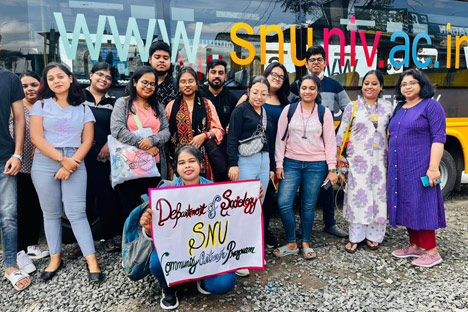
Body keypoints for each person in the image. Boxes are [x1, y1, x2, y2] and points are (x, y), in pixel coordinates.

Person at [30, 62, 103, 282]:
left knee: (76, 213)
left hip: (76, 161)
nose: (56, 81)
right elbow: (37, 138)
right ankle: (55, 258)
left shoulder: (82, 108)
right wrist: (62, 160)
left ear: (70, 78)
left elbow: (88, 140)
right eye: (51, 78)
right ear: (47, 83)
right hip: (46, 161)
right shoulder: (41, 106)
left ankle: (92, 260)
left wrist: (72, 162)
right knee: (50, 214)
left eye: (60, 76)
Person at [139, 145, 237, 310]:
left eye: (192, 161)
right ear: (176, 167)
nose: (187, 166)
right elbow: (153, 233)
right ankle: (169, 287)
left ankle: (201, 277)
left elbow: (230, 221)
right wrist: (148, 228)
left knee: (224, 283)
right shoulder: (165, 191)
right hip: (176, 247)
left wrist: (252, 200)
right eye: (182, 162)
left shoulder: (214, 190)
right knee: (157, 262)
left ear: (201, 164)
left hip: (206, 248)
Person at [273, 74, 337, 260]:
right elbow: (280, 139)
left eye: (312, 88)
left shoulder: (324, 112)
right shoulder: (289, 110)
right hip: (291, 162)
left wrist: (332, 168)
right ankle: (292, 242)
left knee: (308, 205)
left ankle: (306, 242)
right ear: (299, 90)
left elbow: (330, 142)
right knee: (284, 203)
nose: (307, 91)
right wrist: (279, 164)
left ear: (317, 91)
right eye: (304, 88)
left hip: (316, 164)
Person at [388, 69, 446, 268]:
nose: (407, 86)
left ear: (422, 84)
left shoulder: (431, 106)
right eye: (403, 84)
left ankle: (432, 251)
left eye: (412, 82)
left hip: (420, 166)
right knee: (405, 204)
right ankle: (415, 246)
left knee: (422, 205)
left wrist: (433, 168)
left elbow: (439, 138)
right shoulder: (400, 108)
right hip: (399, 168)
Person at [291, 45, 349, 238]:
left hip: (326, 145)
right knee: (302, 187)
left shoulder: (334, 85)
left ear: (325, 62)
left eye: (319, 59)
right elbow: (287, 110)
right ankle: (303, 226)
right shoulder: (298, 85)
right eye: (312, 60)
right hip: (302, 146)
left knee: (327, 185)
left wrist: (338, 134)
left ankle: (330, 223)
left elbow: (349, 111)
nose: (316, 63)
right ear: (306, 63)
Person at [65, 62, 119, 259]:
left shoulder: (113, 102)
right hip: (79, 156)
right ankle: (81, 241)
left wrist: (109, 143)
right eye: (100, 75)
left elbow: (118, 127)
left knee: (106, 197)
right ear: (90, 75)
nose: (103, 79)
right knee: (82, 199)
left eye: (108, 77)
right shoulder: (77, 97)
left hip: (104, 156)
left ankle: (108, 236)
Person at [335, 70, 393, 253]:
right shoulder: (352, 107)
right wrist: (336, 159)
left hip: (380, 162)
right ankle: (355, 237)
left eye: (374, 83)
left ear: (381, 87)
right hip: (357, 162)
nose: (370, 86)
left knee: (378, 197)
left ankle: (374, 236)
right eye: (366, 83)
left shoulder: (388, 108)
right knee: (357, 198)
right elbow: (341, 133)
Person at [236, 62, 290, 248]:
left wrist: (275, 166)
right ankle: (242, 242)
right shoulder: (244, 103)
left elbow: (277, 136)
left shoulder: (281, 104)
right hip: (248, 158)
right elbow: (233, 133)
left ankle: (258, 237)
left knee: (264, 199)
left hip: (268, 158)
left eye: (281, 76)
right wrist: (232, 163)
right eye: (274, 74)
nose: (277, 78)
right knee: (245, 201)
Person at [227, 76, 275, 275]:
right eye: (255, 92)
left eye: (264, 93)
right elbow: (232, 138)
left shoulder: (265, 112)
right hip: (245, 161)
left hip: (263, 162)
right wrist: (233, 163)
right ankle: (238, 256)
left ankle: (250, 250)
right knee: (242, 207)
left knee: (257, 207)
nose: (259, 96)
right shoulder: (240, 111)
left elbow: (269, 140)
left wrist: (271, 165)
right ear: (248, 91)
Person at [110, 65, 170, 220]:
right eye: (145, 82)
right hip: (129, 167)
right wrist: (143, 145)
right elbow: (117, 129)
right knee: (130, 212)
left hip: (154, 167)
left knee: (153, 211)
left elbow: (166, 132)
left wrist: (152, 141)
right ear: (135, 82)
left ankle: (149, 243)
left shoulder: (158, 107)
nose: (148, 87)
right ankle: (131, 244)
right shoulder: (123, 103)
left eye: (152, 84)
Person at [9, 72, 49, 274]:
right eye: (24, 86)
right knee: (21, 209)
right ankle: (19, 252)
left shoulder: (46, 106)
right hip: (21, 166)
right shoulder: (16, 108)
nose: (30, 89)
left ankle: (32, 245)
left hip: (43, 165)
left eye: (34, 84)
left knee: (37, 206)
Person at [0, 33, 29, 291]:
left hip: (4, 157)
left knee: (8, 215)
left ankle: (10, 265)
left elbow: (20, 119)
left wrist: (18, 153)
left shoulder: (10, 79)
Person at [166, 67, 224, 181]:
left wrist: (204, 136)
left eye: (191, 81)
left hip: (203, 162)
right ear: (178, 85)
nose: (187, 85)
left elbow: (219, 130)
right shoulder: (171, 106)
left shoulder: (207, 104)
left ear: (197, 84)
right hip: (179, 161)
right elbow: (165, 132)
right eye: (183, 82)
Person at [199, 59, 238, 182]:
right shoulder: (199, 94)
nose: (217, 76)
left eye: (220, 73)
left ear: (225, 76)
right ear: (207, 74)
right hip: (200, 148)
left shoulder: (231, 98)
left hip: (223, 152)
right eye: (213, 72)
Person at [148, 41, 176, 107]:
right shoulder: (139, 85)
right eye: (157, 57)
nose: (161, 60)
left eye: (165, 58)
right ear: (150, 59)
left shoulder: (177, 86)